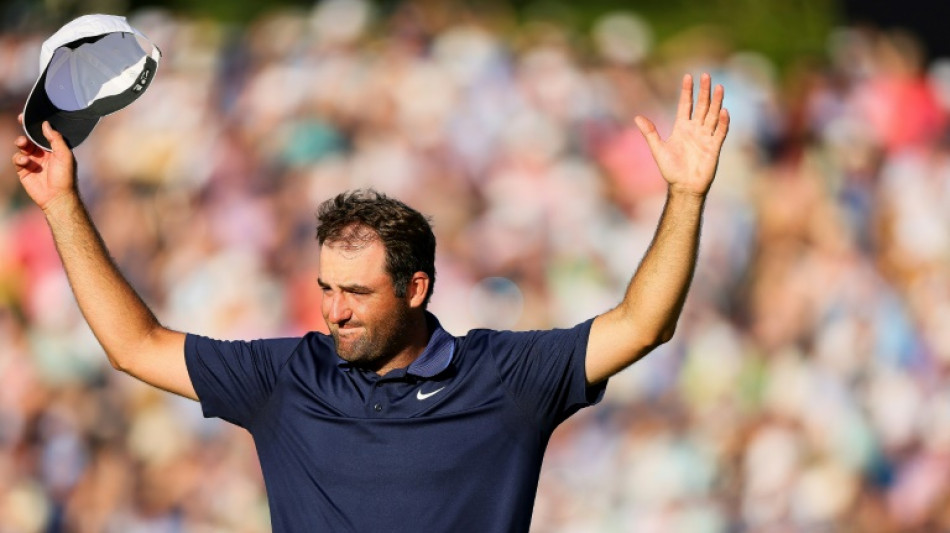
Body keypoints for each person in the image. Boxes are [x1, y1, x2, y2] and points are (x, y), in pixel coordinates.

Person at [12, 73, 729, 532]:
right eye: (326, 288)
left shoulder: (505, 375)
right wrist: (62, 205)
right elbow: (134, 346)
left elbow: (644, 325)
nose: (334, 311)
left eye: (356, 292)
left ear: (416, 288)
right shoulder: (285, 377)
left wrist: (686, 197)